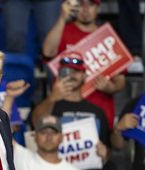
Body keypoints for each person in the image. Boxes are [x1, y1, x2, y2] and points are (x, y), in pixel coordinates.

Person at [40, 0, 126, 128]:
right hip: (64, 109)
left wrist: (110, 87)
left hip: (100, 109)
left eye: (90, 4)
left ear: (97, 7)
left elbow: (120, 80)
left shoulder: (108, 35)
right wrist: (63, 18)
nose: (85, 9)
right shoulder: (63, 30)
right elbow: (47, 51)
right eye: (81, 4)